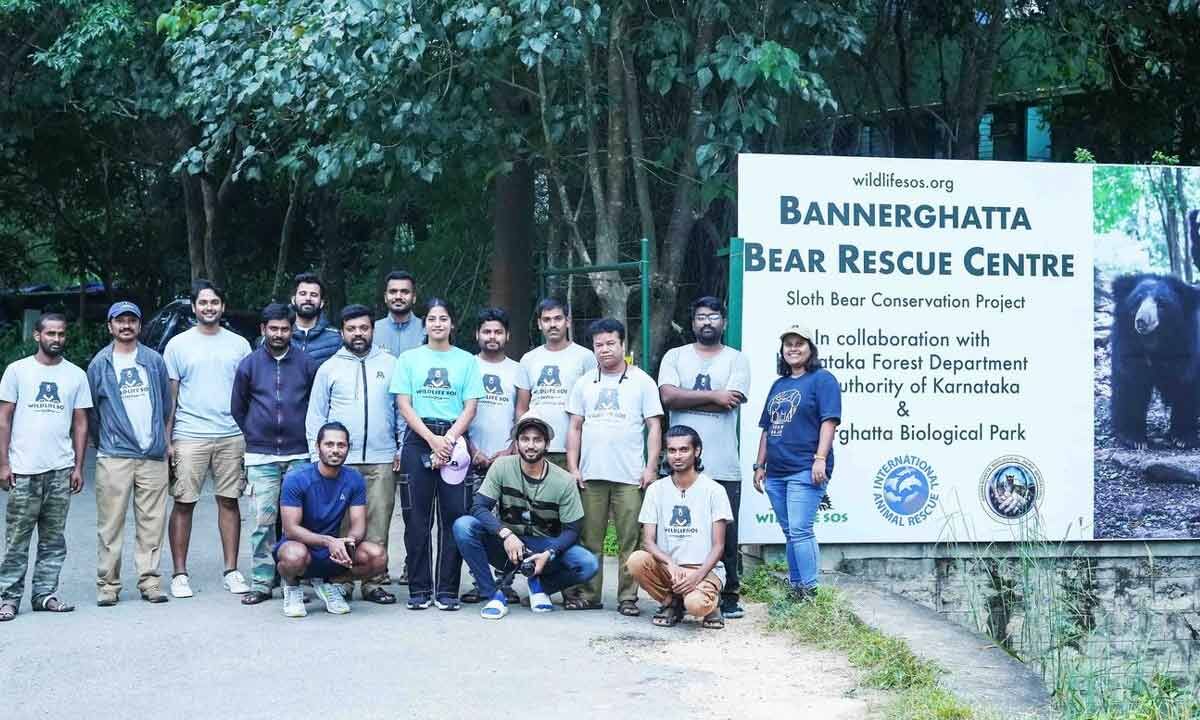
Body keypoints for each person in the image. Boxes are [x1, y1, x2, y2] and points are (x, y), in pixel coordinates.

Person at [453, 410, 598, 619]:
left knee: (587, 563)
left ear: (547, 444)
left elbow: (573, 529)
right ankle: (493, 594)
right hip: (508, 546)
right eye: (525, 439)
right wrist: (505, 534)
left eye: (537, 440)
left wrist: (550, 553)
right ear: (517, 443)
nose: (531, 445)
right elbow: (478, 506)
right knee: (463, 526)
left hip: (543, 548)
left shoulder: (564, 480)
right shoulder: (502, 466)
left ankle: (538, 586)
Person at [657, 296, 751, 619]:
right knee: (676, 529)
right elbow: (668, 397)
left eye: (713, 316)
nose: (707, 322)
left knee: (725, 532)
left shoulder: (737, 359)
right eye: (700, 317)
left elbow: (731, 402)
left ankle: (729, 595)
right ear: (692, 322)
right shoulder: (675, 356)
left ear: (723, 322)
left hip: (724, 463)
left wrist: (687, 400)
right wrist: (714, 395)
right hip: (681, 465)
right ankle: (675, 592)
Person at [565, 318, 664, 615]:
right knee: (590, 538)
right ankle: (590, 595)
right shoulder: (584, 382)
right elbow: (575, 427)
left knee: (630, 541)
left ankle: (627, 599)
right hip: (591, 474)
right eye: (598, 345)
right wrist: (573, 466)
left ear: (623, 344)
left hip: (630, 475)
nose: (605, 350)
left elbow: (654, 427)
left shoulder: (642, 381)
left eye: (611, 343)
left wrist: (651, 468)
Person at [391, 298, 483, 611]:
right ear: (425, 323)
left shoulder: (467, 361)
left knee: (453, 519)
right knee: (416, 519)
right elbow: (404, 404)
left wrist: (449, 440)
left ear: (452, 324)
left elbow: (470, 407)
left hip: (455, 440)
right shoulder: (409, 359)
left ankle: (446, 591)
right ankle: (419, 591)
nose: (438, 324)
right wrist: (431, 439)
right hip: (419, 439)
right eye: (432, 318)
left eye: (444, 318)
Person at [163, 280, 252, 598]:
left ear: (222, 307)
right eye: (203, 303)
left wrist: (248, 433)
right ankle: (179, 573)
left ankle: (231, 569)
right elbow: (170, 395)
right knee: (183, 502)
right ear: (194, 306)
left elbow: (246, 393)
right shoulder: (178, 345)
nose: (209, 307)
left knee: (229, 501)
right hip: (189, 435)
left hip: (231, 435)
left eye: (215, 302)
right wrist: (168, 437)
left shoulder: (240, 344)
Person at [305, 304, 399, 604]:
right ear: (342, 332)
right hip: (339, 461)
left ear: (372, 329)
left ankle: (374, 581)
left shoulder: (391, 363)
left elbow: (401, 410)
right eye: (352, 329)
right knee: (342, 523)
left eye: (364, 328)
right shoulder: (329, 368)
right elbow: (316, 416)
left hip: (382, 456)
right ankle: (342, 578)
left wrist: (400, 446)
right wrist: (315, 454)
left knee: (379, 521)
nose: (358, 334)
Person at [0, 313, 91, 621]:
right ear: (37, 335)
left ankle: (45, 594)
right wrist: (3, 463)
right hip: (24, 469)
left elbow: (81, 423)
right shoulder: (17, 371)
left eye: (61, 334)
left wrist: (78, 466)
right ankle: (8, 599)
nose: (56, 339)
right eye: (50, 333)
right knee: (16, 539)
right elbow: (4, 419)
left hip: (59, 469)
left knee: (53, 540)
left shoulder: (76, 375)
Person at [231, 303, 320, 605]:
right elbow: (238, 408)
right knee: (262, 522)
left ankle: (293, 579)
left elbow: (316, 404)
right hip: (262, 456)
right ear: (263, 329)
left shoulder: (307, 364)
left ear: (292, 329)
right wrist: (257, 433)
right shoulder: (249, 364)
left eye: (284, 328)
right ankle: (261, 581)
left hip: (299, 454)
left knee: (298, 521)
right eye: (274, 328)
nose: (279, 334)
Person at [87, 301, 173, 606]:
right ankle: (107, 585)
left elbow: (165, 404)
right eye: (119, 321)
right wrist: (106, 442)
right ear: (110, 326)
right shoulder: (100, 364)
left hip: (152, 454)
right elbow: (93, 413)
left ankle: (150, 582)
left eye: (131, 321)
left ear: (139, 325)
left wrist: (163, 442)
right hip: (114, 456)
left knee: (152, 522)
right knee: (111, 524)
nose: (126, 326)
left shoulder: (153, 361)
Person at [753, 324, 841, 600]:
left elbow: (829, 422)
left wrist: (820, 459)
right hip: (776, 472)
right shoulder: (779, 385)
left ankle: (811, 592)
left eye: (799, 343)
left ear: (810, 349)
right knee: (790, 532)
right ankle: (796, 588)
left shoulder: (822, 379)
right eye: (788, 344)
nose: (793, 348)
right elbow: (768, 428)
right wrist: (759, 465)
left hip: (806, 468)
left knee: (801, 531)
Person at [275, 421, 389, 618]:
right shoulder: (296, 478)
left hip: (333, 552)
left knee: (377, 556)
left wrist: (349, 543)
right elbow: (290, 529)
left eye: (341, 445)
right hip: (302, 547)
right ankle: (292, 588)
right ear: (317, 446)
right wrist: (329, 541)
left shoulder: (354, 479)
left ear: (347, 448)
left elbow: (358, 525)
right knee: (294, 556)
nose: (335, 450)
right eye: (329, 444)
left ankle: (329, 585)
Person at [628, 425, 732, 629]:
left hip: (704, 569)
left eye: (684, 449)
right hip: (670, 568)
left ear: (697, 451)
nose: (677, 456)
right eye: (672, 450)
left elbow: (719, 546)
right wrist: (670, 563)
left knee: (695, 605)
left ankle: (711, 604)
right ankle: (671, 602)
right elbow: (648, 541)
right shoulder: (656, 490)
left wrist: (697, 576)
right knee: (636, 560)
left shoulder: (714, 490)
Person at [460, 307, 531, 604]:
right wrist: (471, 449)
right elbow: (458, 412)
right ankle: (481, 582)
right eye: (486, 331)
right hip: (469, 460)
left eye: (498, 332)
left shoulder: (517, 369)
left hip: (508, 460)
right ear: (477, 334)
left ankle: (506, 583)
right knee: (474, 523)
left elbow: (522, 412)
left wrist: (511, 449)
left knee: (509, 523)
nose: (492, 337)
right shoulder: (466, 366)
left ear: (507, 336)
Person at [519, 298, 596, 470]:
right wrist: (523, 443)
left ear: (567, 321)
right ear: (539, 324)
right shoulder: (528, 359)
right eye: (546, 320)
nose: (552, 324)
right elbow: (521, 408)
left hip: (572, 449)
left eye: (558, 319)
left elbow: (591, 404)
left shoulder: (585, 357)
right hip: (535, 449)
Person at [289, 272, 340, 363]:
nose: (308, 298)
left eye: (314, 295)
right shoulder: (279, 334)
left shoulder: (336, 339)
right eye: (303, 293)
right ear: (293, 300)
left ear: (322, 303)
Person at [373, 270, 425, 358]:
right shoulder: (373, 330)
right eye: (393, 292)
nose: (398, 297)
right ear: (385, 297)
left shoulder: (427, 330)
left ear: (414, 298)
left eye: (405, 292)